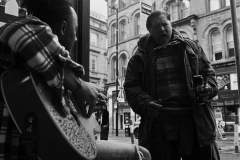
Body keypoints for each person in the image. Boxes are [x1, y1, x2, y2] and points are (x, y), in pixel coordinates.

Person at [0, 0, 151, 160]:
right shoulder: (22, 34)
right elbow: (17, 31)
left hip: (54, 147)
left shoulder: (52, 70)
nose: (77, 38)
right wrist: (80, 86)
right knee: (141, 155)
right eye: (76, 30)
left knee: (143, 153)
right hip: (27, 151)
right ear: (64, 27)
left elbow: (63, 125)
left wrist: (82, 113)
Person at [124, 10, 220, 160]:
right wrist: (146, 103)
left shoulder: (192, 48)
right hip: (159, 125)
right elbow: (131, 87)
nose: (162, 29)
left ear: (171, 24)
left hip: (195, 121)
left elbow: (209, 74)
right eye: (156, 27)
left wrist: (208, 88)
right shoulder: (138, 57)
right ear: (149, 31)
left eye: (164, 24)